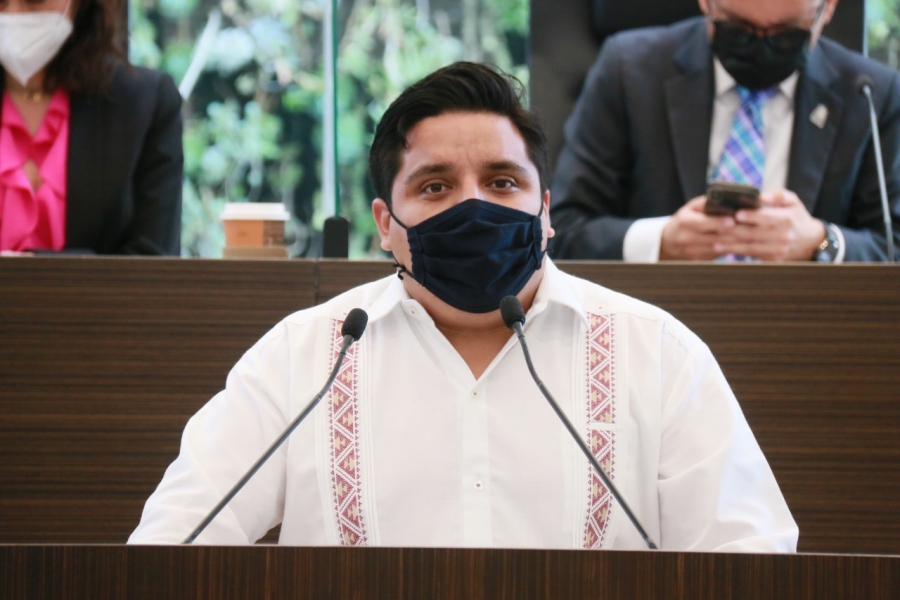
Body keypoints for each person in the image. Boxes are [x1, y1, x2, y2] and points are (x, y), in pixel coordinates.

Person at [129, 62, 798, 551]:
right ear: (385, 223)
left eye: (502, 182)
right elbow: (171, 545)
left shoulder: (658, 355)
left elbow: (749, 559)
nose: (473, 205)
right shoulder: (304, 356)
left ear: (545, 211)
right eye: (436, 186)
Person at [549, 0, 900, 262]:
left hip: (808, 322)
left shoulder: (871, 94)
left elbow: (892, 244)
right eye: (739, 28)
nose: (762, 45)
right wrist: (661, 240)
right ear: (706, 3)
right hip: (659, 315)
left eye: (786, 33)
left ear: (827, 9)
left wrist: (822, 241)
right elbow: (561, 229)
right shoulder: (629, 70)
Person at [0, 0, 182, 255]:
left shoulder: (144, 104)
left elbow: (153, 260)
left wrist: (28, 266)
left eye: (33, 0)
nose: (12, 14)